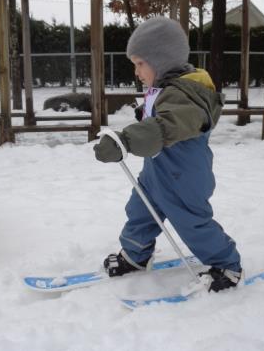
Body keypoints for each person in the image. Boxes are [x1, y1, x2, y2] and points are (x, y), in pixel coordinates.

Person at [94, 16, 242, 292]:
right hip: (156, 172)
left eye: (140, 63)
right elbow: (155, 119)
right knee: (139, 212)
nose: (136, 72)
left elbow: (167, 126)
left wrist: (126, 141)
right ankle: (135, 254)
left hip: (182, 176)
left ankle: (227, 265)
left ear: (161, 60)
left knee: (192, 223)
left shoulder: (185, 95)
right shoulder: (165, 90)